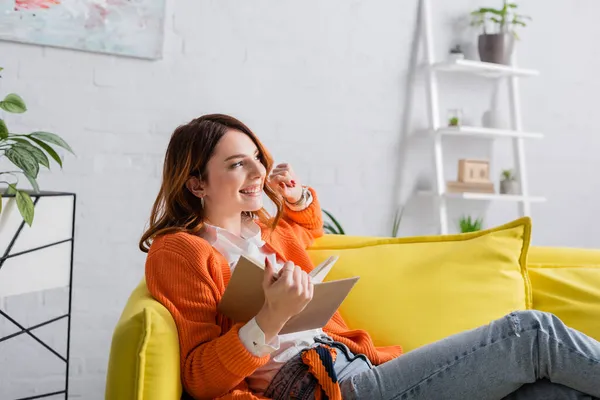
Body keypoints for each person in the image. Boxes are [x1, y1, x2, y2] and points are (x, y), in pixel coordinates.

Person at [140, 114, 600, 400]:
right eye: (237, 163)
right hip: (322, 387)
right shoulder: (181, 251)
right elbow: (199, 377)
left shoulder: (267, 232)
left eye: (257, 157)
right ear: (196, 183)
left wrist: (296, 196)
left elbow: (308, 223)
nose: (258, 171)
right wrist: (271, 319)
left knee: (550, 393)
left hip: (355, 366)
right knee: (531, 332)